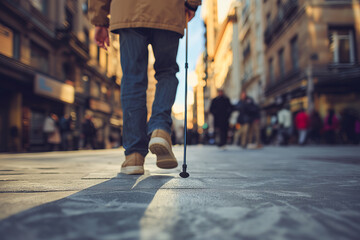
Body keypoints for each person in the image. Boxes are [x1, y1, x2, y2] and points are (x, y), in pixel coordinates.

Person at [89, 0, 202, 174]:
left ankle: (134, 155)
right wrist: (192, 4)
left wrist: (99, 19)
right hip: (168, 9)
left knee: (132, 78)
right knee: (166, 72)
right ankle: (160, 128)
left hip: (127, 10)